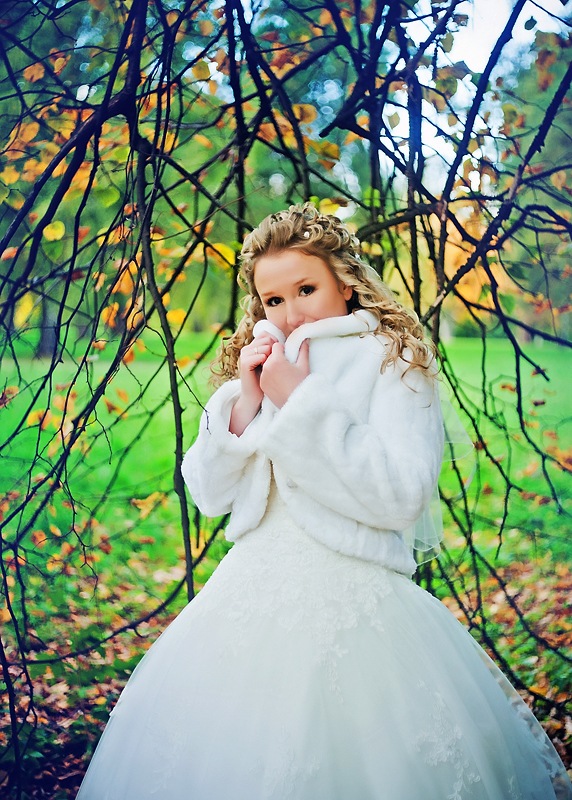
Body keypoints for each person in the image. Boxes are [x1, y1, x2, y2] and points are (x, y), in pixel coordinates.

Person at [76, 203, 571, 800]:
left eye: (306, 289)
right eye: (273, 299)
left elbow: (400, 496)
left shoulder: (393, 361)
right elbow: (209, 495)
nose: (291, 313)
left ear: (346, 282)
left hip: (358, 599)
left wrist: (303, 401)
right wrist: (245, 405)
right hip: (250, 592)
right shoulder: (259, 369)